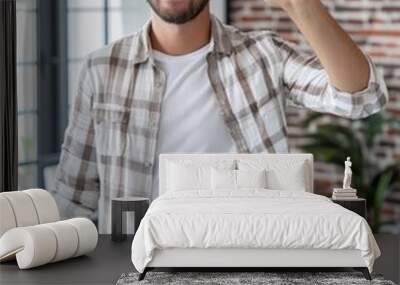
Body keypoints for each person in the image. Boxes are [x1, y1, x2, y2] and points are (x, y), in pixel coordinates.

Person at [52, 0, 389, 233]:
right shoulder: (102, 68)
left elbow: (362, 97)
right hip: (135, 262)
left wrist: (300, 5)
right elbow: (74, 200)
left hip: (252, 254)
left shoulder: (263, 56)